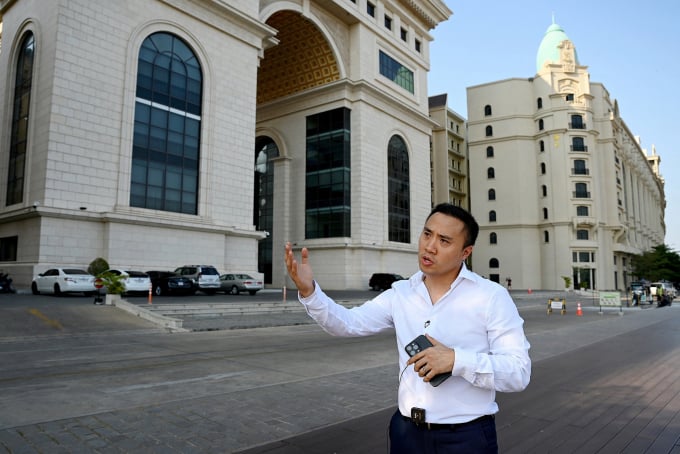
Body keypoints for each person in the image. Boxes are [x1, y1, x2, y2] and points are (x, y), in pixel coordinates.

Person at [284, 203, 531, 453]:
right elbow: (348, 323)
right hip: (406, 433)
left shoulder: (491, 297)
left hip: (464, 437)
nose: (430, 246)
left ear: (465, 252)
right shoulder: (400, 293)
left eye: (444, 241)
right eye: (427, 234)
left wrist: (456, 361)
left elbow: (518, 372)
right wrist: (310, 292)